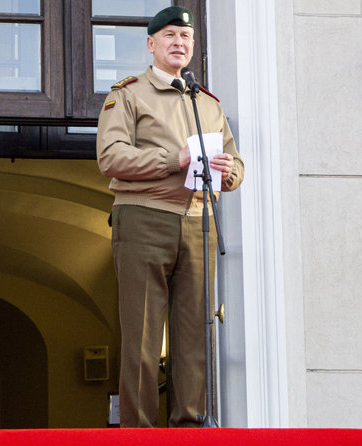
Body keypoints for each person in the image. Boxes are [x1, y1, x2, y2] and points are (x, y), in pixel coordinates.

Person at [96, 6, 244, 428]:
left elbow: (234, 162)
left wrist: (232, 171)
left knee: (195, 333)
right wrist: (172, 158)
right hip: (144, 215)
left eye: (186, 37)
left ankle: (191, 427)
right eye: (170, 36)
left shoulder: (208, 103)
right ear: (151, 44)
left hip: (198, 220)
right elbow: (110, 157)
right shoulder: (127, 94)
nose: (180, 43)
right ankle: (138, 430)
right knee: (142, 332)